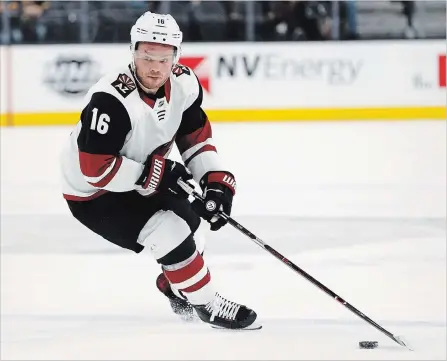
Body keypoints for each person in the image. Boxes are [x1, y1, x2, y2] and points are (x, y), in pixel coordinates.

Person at [60, 10, 258, 330]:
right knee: (169, 232)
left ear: (176, 57)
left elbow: (194, 136)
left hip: (138, 175)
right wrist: (158, 175)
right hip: (94, 194)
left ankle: (174, 284)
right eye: (146, 55)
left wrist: (215, 181)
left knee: (193, 229)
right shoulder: (110, 101)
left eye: (164, 58)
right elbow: (94, 170)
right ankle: (207, 305)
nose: (154, 67)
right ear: (133, 52)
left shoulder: (184, 83)